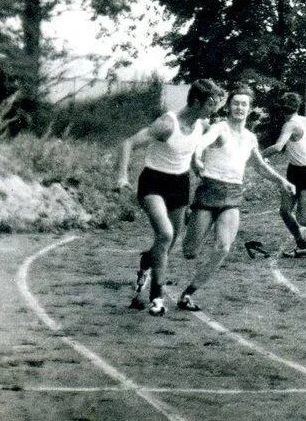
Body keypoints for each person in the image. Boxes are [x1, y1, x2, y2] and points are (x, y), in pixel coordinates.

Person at [162, 85, 296, 315]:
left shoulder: (250, 138)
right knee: (189, 251)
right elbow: (200, 144)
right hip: (209, 190)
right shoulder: (219, 128)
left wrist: (282, 181)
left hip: (233, 194)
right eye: (236, 103)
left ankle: (188, 293)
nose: (239, 108)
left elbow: (260, 166)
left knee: (223, 247)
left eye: (244, 104)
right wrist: (196, 159)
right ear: (229, 106)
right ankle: (188, 219)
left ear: (250, 108)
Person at [116, 78, 225, 313]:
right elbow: (128, 143)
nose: (213, 109)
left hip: (179, 184)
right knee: (164, 234)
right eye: (210, 104)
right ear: (196, 102)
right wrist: (122, 177)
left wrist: (198, 163)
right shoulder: (167, 124)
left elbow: (197, 147)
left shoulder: (202, 125)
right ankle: (157, 298)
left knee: (170, 242)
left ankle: (147, 262)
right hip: (154, 182)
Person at [260, 92, 306, 257]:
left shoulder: (291, 125)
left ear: (282, 109)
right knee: (285, 210)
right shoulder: (302, 120)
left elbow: (278, 146)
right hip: (293, 171)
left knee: (302, 218)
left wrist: (260, 156)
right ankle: (301, 245)